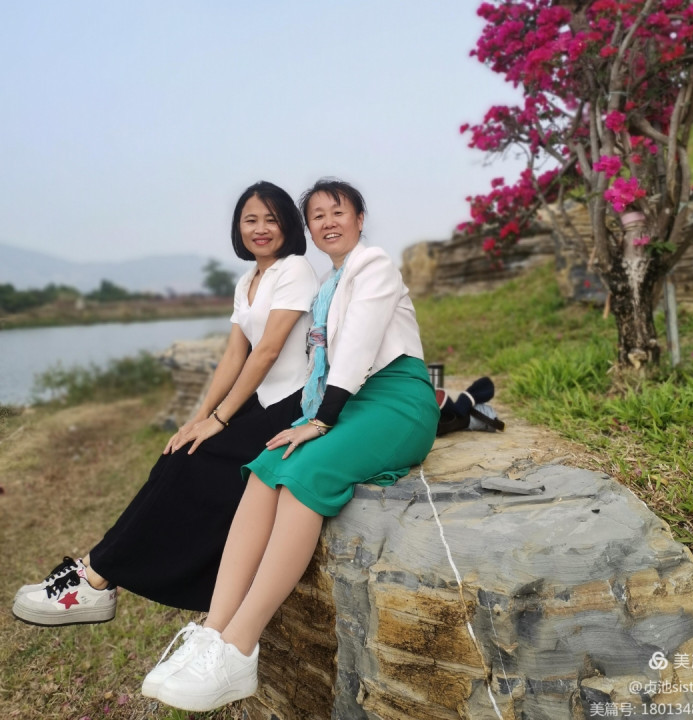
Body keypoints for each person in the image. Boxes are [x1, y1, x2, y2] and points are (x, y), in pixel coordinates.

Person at [142, 178, 439, 712]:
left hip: (396, 400)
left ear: (360, 218)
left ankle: (239, 647)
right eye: (317, 216)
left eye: (338, 212)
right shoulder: (327, 284)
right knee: (266, 466)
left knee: (306, 471)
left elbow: (358, 348)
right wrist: (308, 415)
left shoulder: (373, 265)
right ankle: (213, 632)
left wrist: (319, 421)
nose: (327, 222)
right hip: (353, 401)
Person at [12, 180, 318, 625]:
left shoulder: (295, 270)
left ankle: (95, 577)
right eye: (250, 219)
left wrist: (219, 420)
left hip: (290, 404)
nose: (260, 228)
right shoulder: (247, 280)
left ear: (288, 224)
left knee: (199, 461)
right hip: (261, 401)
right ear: (238, 227)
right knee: (177, 452)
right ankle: (95, 571)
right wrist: (198, 418)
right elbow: (234, 355)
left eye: (271, 219)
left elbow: (267, 351)